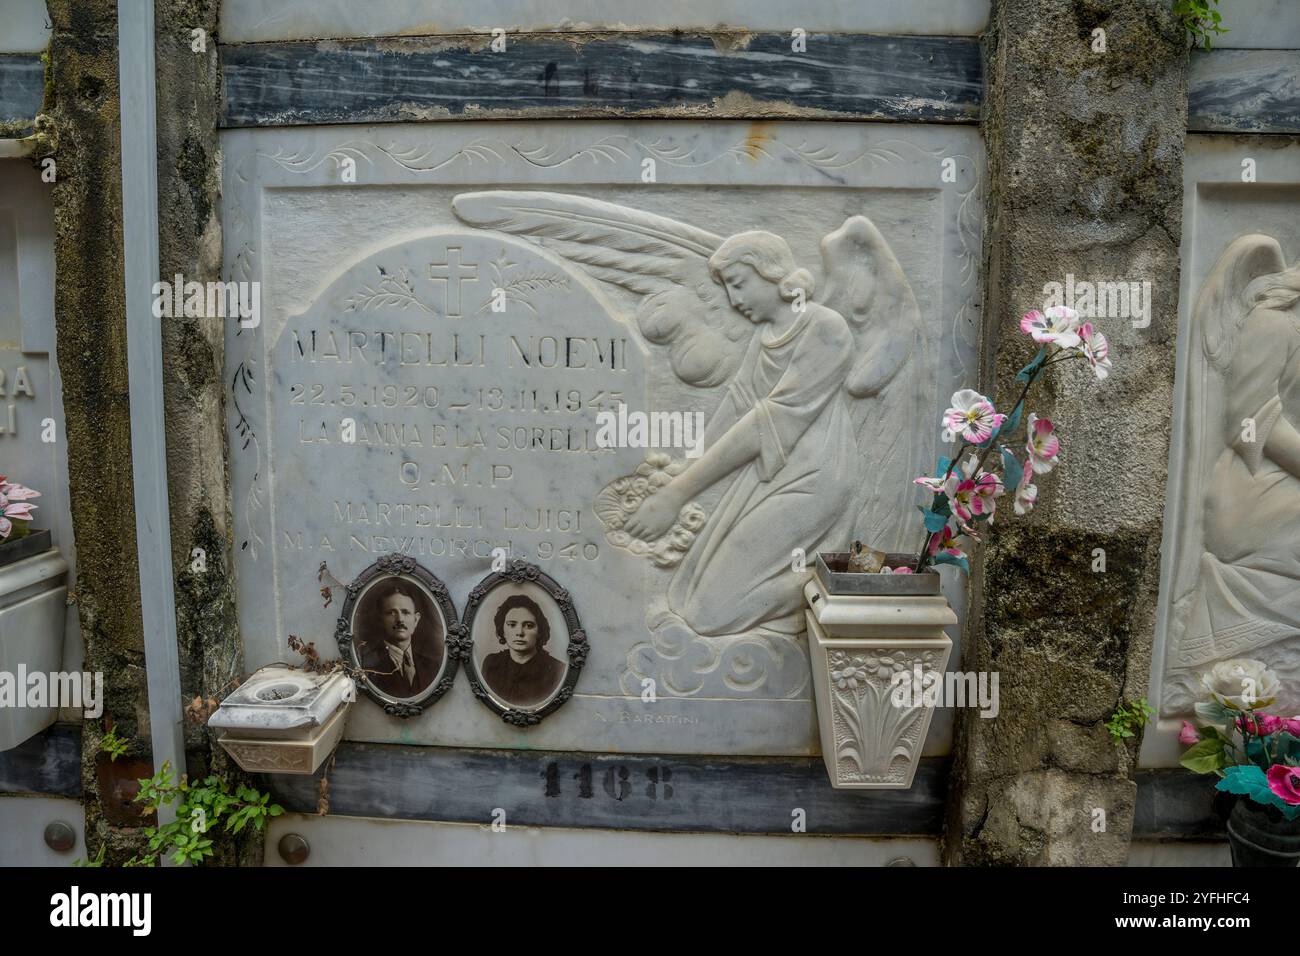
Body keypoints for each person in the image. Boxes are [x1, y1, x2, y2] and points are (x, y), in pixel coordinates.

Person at [622, 231, 858, 637]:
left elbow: (769, 421)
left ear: (771, 273)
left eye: (739, 283)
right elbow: (737, 406)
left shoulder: (825, 328)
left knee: (707, 614)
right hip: (769, 473)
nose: (734, 300)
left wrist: (678, 493)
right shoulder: (764, 336)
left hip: (812, 478)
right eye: (728, 287)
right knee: (684, 595)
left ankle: (829, 585)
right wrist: (681, 474)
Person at [358, 582, 442, 699]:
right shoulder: (366, 665)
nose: (400, 620)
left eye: (405, 612)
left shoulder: (433, 666)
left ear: (416, 620)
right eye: (391, 613)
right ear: (380, 620)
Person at [480, 594, 565, 706]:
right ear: (503, 630)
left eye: (528, 626)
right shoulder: (491, 664)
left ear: (539, 631)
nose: (519, 632)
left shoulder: (557, 670)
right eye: (512, 625)